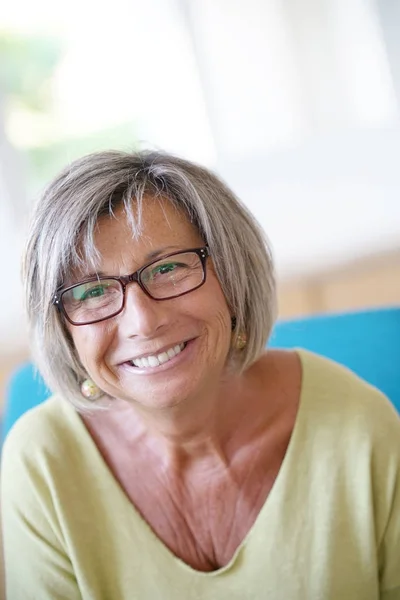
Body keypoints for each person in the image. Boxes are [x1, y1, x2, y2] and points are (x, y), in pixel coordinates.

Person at [1, 150, 399, 600]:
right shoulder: (42, 464)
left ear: (232, 275)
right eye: (92, 291)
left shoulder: (358, 424)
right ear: (64, 330)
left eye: (168, 268)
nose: (143, 323)